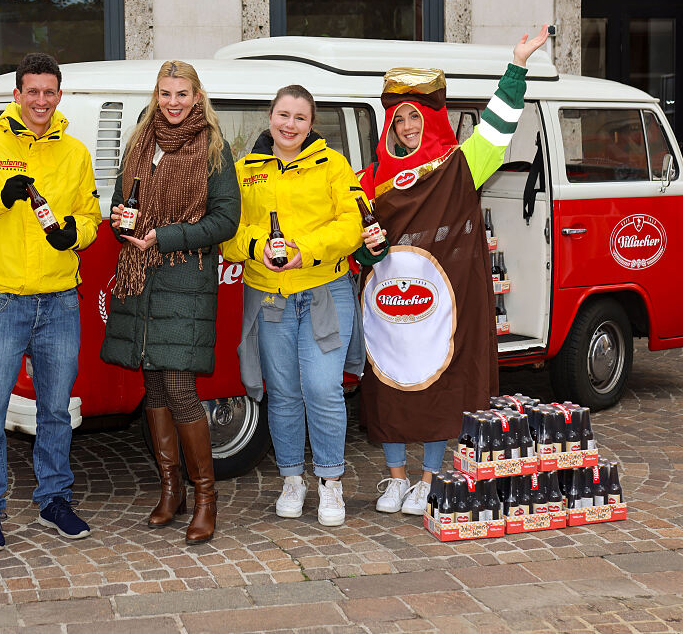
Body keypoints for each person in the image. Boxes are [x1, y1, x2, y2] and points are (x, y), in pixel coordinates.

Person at [359, 27, 550, 517]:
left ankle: (428, 479)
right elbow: (352, 237)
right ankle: (396, 478)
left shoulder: (460, 164)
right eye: (399, 119)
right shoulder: (371, 176)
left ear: (431, 118)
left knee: (439, 382)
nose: (407, 126)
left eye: (415, 116)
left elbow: (498, 126)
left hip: (441, 302)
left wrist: (517, 65)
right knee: (390, 386)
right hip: (388, 302)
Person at [0, 53, 102, 552]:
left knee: (56, 411)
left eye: (48, 92)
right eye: (31, 91)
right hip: (2, 301)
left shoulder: (74, 151)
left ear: (59, 96)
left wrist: (75, 234)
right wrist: (1, 199)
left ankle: (55, 499)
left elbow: (90, 215)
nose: (40, 100)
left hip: (59, 300)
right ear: (17, 95)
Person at [223, 85, 387, 527]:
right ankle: (292, 479)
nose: (289, 124)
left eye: (299, 117)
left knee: (322, 388)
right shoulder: (244, 169)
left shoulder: (332, 164)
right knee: (284, 394)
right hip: (269, 297)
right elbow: (228, 231)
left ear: (311, 124)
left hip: (324, 293)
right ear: (270, 117)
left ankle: (330, 482)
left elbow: (354, 221)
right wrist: (257, 247)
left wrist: (306, 250)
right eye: (283, 114)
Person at [100, 60, 239, 545]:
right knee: (154, 386)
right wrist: (123, 221)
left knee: (179, 387)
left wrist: (166, 236)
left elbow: (225, 222)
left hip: (185, 280)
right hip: (141, 280)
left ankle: (206, 499)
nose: (173, 102)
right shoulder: (139, 144)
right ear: (156, 95)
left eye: (182, 94)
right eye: (165, 93)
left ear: (198, 97)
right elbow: (121, 202)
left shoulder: (215, 151)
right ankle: (170, 490)